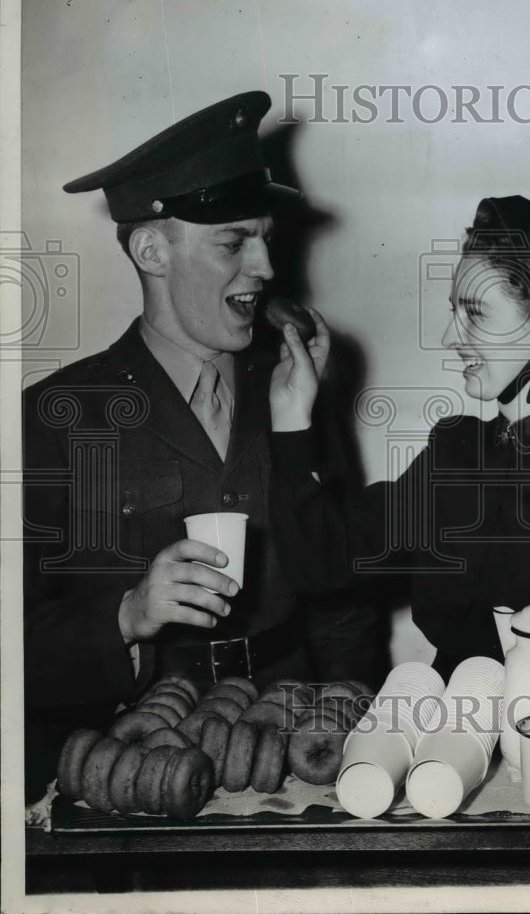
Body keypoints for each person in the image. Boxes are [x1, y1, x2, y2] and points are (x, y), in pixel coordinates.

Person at [23, 91, 378, 799]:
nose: (266, 267)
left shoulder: (296, 386)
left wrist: (355, 719)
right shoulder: (55, 417)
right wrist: (128, 614)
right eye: (232, 241)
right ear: (152, 249)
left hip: (289, 739)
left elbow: (342, 596)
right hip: (131, 745)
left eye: (267, 238)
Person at [268, 190, 530, 693]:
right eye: (454, 312)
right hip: (451, 733)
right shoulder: (456, 451)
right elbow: (321, 563)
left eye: (476, 313)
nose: (449, 337)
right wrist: (292, 417)